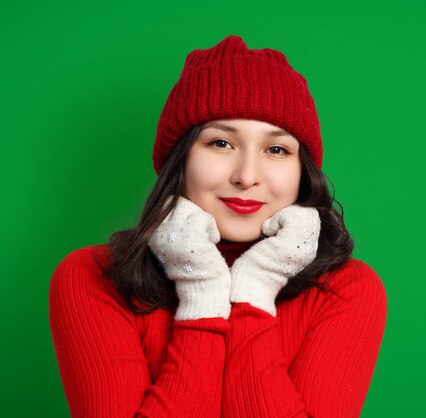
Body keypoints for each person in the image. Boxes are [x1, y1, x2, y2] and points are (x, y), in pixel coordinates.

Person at [48, 34, 387, 417]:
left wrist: (255, 291)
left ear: (301, 172)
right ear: (181, 159)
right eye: (221, 143)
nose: (246, 176)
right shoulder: (93, 277)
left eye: (276, 150)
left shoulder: (346, 290)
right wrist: (201, 293)